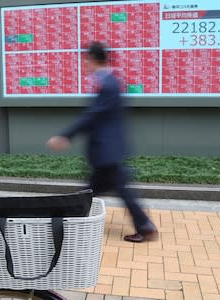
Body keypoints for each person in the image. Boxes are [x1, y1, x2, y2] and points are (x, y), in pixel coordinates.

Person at [47, 41, 157, 243]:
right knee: (99, 189)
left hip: (106, 151)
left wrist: (65, 135)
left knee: (98, 190)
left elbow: (92, 115)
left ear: (93, 60)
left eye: (86, 61)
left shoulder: (108, 84)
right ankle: (143, 225)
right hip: (108, 150)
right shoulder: (110, 81)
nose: (85, 65)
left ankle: (144, 226)